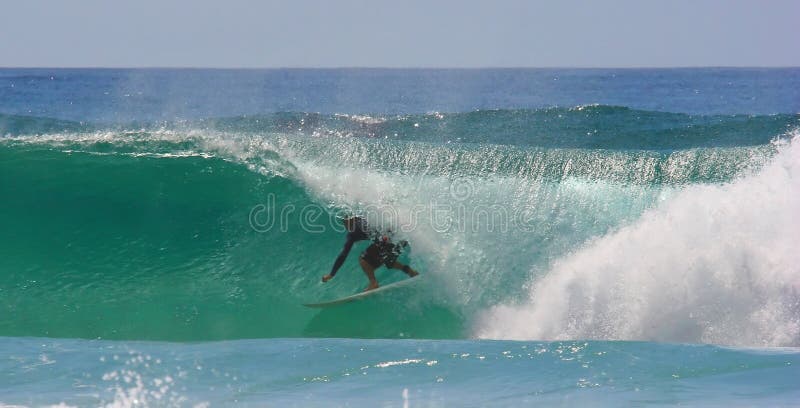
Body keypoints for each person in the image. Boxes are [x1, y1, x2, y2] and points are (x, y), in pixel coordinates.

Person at [322, 216, 418, 291]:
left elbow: (343, 255)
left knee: (363, 258)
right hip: (401, 238)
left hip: (387, 240)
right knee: (387, 260)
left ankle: (373, 282)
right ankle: (411, 272)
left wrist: (331, 274)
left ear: (349, 221)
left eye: (344, 223)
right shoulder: (366, 218)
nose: (345, 227)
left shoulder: (352, 233)